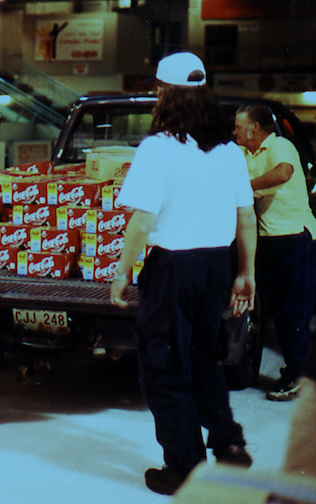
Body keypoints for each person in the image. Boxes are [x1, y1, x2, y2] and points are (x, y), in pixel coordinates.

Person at [110, 52, 257, 495]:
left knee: (163, 367)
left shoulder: (157, 148)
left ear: (164, 93)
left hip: (174, 268)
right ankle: (229, 445)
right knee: (201, 359)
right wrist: (246, 271)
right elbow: (246, 216)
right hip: (217, 264)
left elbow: (141, 220)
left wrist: (121, 271)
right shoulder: (229, 150)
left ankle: (184, 468)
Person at [234, 104, 316, 401]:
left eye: (238, 126)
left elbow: (283, 174)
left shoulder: (281, 146)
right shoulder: (242, 154)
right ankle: (293, 369)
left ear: (254, 128)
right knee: (278, 311)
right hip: (267, 240)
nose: (234, 131)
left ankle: (294, 374)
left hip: (295, 238)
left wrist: (245, 186)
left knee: (294, 310)